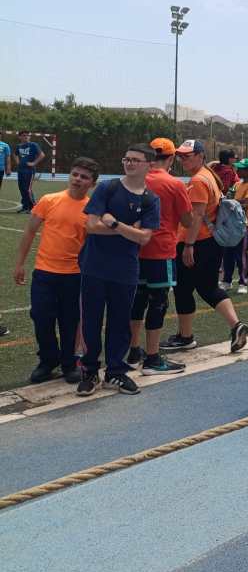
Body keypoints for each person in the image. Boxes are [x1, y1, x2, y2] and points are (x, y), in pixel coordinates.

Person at [76, 145, 161, 397]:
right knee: (91, 321)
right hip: (94, 266)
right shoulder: (108, 188)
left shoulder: (150, 200)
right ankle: (90, 371)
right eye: (127, 159)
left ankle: (115, 371)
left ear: (149, 165)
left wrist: (114, 223)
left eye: (135, 160)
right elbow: (92, 225)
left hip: (125, 270)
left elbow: (144, 238)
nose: (129, 163)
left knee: (120, 323)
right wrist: (130, 230)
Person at [14, 157, 99, 384]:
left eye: (84, 177)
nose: (77, 179)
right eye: (75, 174)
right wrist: (20, 264)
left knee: (70, 321)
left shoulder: (92, 210)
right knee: (41, 318)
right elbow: (29, 232)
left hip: (74, 275)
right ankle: (48, 360)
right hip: (44, 272)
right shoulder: (49, 200)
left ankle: (69, 363)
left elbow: (94, 246)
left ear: (92, 183)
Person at [160, 140, 248, 354]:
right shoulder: (209, 175)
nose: (182, 160)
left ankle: (185, 336)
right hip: (210, 242)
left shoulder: (198, 180)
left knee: (183, 289)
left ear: (200, 156)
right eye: (180, 156)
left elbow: (197, 215)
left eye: (187, 156)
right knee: (208, 288)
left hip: (197, 242)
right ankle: (236, 325)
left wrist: (188, 245)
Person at [127, 138, 194, 376]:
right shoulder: (174, 184)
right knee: (158, 302)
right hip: (160, 250)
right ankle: (153, 358)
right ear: (171, 157)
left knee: (137, 301)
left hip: (134, 249)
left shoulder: (134, 179)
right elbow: (187, 220)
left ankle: (133, 352)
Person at [221, 158, 248, 294]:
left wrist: (230, 202)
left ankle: (243, 283)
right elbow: (229, 197)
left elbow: (245, 203)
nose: (238, 170)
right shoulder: (237, 184)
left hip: (243, 225)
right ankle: (227, 281)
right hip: (231, 225)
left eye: (241, 169)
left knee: (241, 255)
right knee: (228, 254)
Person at [14, 130, 45, 213]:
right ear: (20, 137)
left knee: (27, 189)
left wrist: (34, 163)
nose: (26, 137)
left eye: (28, 135)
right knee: (21, 188)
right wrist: (18, 162)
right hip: (20, 170)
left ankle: (33, 207)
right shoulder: (19, 146)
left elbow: (42, 155)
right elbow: (15, 154)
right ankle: (25, 206)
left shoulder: (33, 145)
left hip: (29, 170)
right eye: (24, 135)